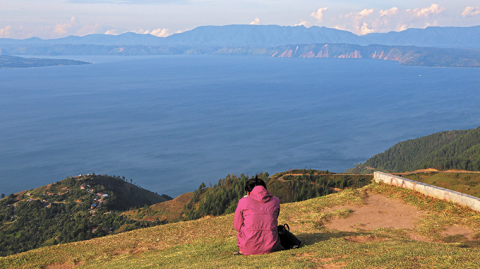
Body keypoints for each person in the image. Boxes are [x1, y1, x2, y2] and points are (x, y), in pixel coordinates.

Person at [233, 176, 282, 255]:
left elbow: (237, 226)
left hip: (248, 248)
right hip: (272, 246)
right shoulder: (276, 201)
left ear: (248, 192)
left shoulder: (243, 201)